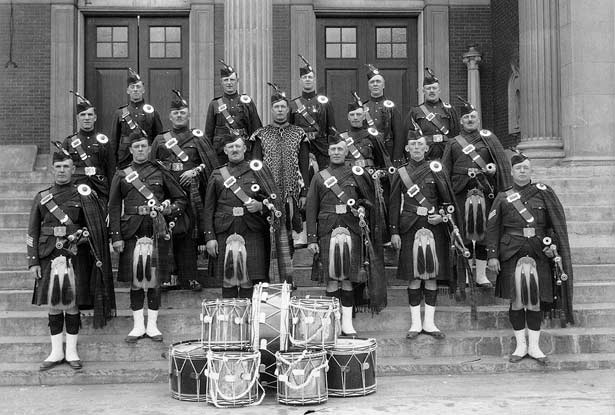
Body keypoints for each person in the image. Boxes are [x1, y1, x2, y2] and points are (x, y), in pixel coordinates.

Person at [27, 151, 114, 371]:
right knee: (54, 303)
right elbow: (32, 231)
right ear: (52, 169)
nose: (62, 171)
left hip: (75, 255)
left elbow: (93, 227)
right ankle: (56, 353)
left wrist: (84, 236)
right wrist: (33, 261)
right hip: (48, 255)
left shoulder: (83, 195)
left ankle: (72, 352)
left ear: (73, 169)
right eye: (58, 167)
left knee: (72, 303)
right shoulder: (41, 197)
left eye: (66, 167)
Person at [486, 153, 573, 365]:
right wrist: (492, 255)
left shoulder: (544, 193)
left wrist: (553, 245)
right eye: (518, 168)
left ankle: (534, 347)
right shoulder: (502, 197)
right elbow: (493, 228)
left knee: (535, 301)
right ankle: (520, 346)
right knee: (516, 302)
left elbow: (554, 226)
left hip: (539, 253)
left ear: (531, 170)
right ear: (512, 171)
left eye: (526, 167)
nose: (522, 171)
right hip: (511, 253)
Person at [108, 130, 188, 343]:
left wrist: (169, 209)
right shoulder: (121, 174)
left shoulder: (160, 171)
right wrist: (116, 236)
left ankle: (152, 326)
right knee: (136, 281)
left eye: (144, 146)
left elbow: (181, 198)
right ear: (131, 150)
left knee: (154, 281)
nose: (140, 150)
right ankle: (137, 326)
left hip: (156, 230)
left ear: (149, 148)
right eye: (136, 147)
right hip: (131, 232)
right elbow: (114, 207)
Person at [306, 136, 385, 336]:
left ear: (346, 152)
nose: (336, 152)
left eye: (340, 149)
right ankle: (332, 324)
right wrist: (312, 238)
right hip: (327, 229)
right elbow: (311, 209)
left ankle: (348, 325)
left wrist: (362, 208)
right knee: (332, 279)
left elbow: (369, 200)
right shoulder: (319, 177)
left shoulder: (357, 173)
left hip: (352, 229)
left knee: (348, 279)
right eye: (333, 149)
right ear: (328, 152)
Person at [389, 129, 459, 339]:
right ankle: (415, 324)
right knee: (413, 276)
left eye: (420, 144)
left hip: (433, 227)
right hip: (409, 227)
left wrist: (442, 217)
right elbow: (394, 204)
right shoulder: (401, 172)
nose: (417, 148)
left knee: (431, 275)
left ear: (427, 148)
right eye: (413, 144)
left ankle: (430, 324)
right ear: (407, 148)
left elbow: (447, 201)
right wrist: (394, 232)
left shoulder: (436, 169)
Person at [150, 90, 217, 291]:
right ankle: (168, 277)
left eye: (182, 113)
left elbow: (211, 167)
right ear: (170, 116)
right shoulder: (160, 140)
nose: (179, 115)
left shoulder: (198, 138)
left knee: (188, 235)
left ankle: (189, 277)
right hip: (168, 195)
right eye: (175, 113)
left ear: (189, 115)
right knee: (167, 232)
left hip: (192, 195)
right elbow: (153, 168)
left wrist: (196, 171)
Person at [441, 97, 511, 289]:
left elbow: (501, 165)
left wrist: (494, 169)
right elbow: (445, 170)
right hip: (460, 192)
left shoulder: (489, 140)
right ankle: (464, 275)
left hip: (484, 191)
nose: (470, 120)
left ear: (478, 120)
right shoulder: (453, 143)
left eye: (473, 117)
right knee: (462, 233)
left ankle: (481, 276)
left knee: (483, 234)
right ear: (461, 121)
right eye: (466, 118)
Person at [203, 135, 283, 298]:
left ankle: (247, 314)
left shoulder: (258, 170)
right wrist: (209, 237)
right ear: (225, 150)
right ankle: (231, 314)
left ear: (245, 149)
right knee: (228, 279)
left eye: (238, 146)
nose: (234, 149)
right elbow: (208, 209)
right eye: (230, 147)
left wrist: (260, 206)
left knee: (249, 278)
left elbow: (276, 202)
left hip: (252, 229)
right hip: (225, 230)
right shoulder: (217, 174)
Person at [251, 84, 310, 254]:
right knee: (268, 231)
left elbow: (304, 165)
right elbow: (255, 166)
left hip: (292, 192)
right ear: (271, 110)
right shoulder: (261, 134)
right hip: (268, 192)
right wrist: (258, 192)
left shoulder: (299, 133)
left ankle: (288, 266)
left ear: (288, 110)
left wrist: (304, 192)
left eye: (283, 107)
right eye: (276, 107)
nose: (280, 110)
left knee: (290, 231)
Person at [60, 91, 115, 204]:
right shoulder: (69, 142)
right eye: (83, 115)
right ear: (77, 118)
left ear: (95, 118)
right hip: (76, 189)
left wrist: (112, 196)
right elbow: (63, 170)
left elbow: (111, 170)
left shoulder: (104, 141)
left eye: (90, 115)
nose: (86, 118)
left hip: (99, 189)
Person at [205, 60, 262, 165]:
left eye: (232, 80)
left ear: (237, 81)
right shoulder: (214, 104)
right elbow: (208, 135)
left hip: (243, 151)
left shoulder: (247, 102)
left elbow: (257, 130)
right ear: (221, 82)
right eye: (226, 80)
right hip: (221, 153)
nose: (229, 83)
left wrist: (256, 156)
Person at [289, 55, 336, 172]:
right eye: (304, 77)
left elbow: (331, 128)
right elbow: (289, 130)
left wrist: (332, 148)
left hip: (322, 149)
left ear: (314, 80)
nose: (307, 79)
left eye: (310, 77)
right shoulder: (293, 104)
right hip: (300, 148)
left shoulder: (325, 102)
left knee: (324, 178)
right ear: (300, 80)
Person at [110, 68, 163, 169]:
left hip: (146, 156)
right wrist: (113, 163)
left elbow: (159, 139)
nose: (135, 89)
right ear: (128, 90)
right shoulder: (120, 113)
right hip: (124, 157)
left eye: (138, 87)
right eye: (132, 87)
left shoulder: (152, 112)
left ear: (143, 90)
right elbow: (114, 141)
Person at [404, 68, 459, 161]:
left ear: (439, 90)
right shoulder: (415, 111)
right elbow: (409, 137)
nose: (432, 91)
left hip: (446, 155)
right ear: (423, 91)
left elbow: (456, 134)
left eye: (434, 88)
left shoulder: (450, 110)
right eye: (428, 88)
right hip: (424, 156)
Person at [362, 64, 405, 167]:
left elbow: (399, 135)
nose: (375, 84)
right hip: (369, 153)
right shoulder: (363, 108)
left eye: (378, 81)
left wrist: (396, 159)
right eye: (372, 82)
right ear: (369, 86)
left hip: (388, 153)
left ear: (383, 85)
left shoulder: (391, 107)